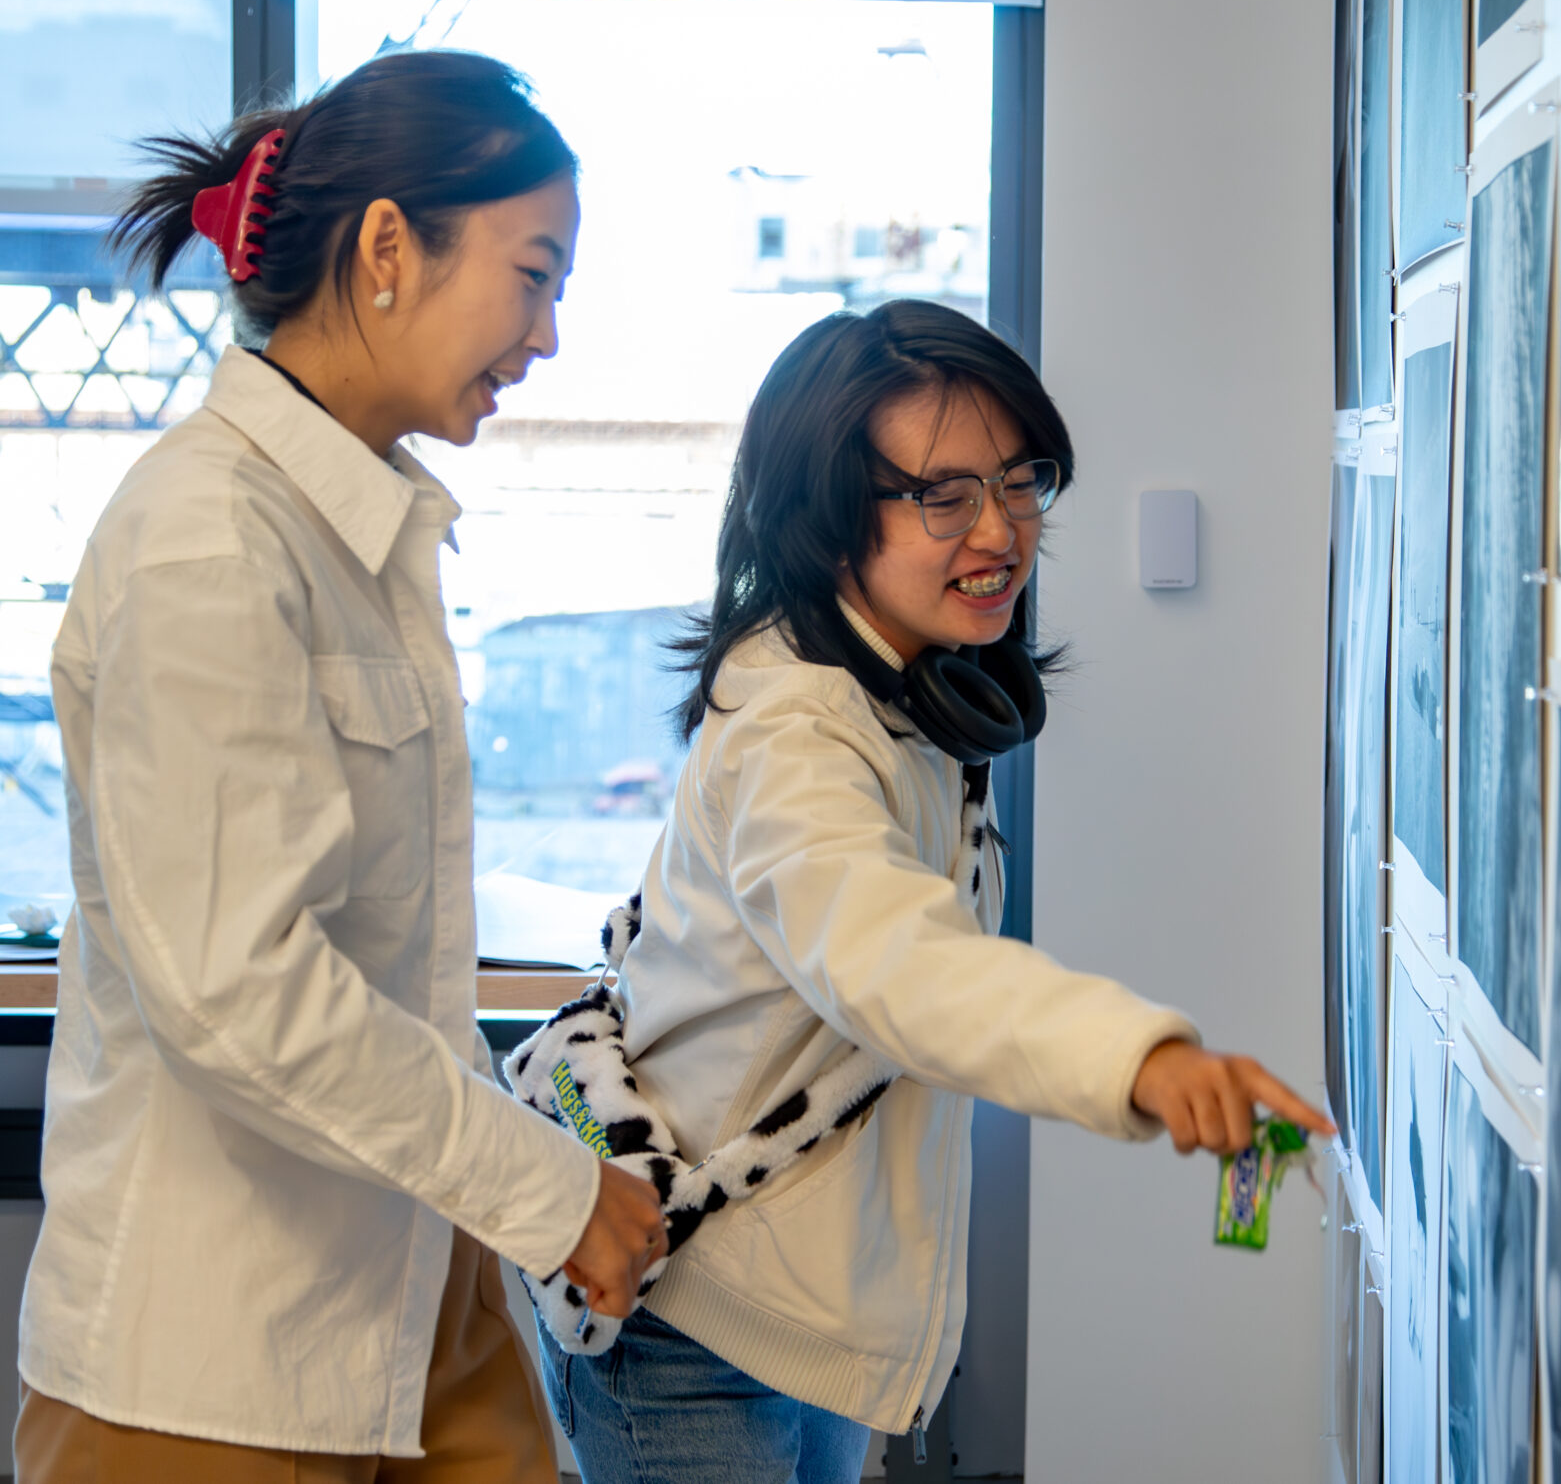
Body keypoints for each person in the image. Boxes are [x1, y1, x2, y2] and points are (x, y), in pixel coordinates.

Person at [538, 300, 1333, 1483]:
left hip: (813, 1321)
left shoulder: (910, 694)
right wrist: (1144, 1061)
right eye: (944, 495)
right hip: (692, 1318)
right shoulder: (797, 732)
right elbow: (901, 964)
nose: (1002, 531)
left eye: (1020, 482)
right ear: (825, 516)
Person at [15, 50, 666, 1484]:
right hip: (220, 1357)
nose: (548, 332)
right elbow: (242, 991)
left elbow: (384, 975)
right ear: (389, 247)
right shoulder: (208, 537)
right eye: (535, 273)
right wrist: (550, 1190)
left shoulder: (363, 538)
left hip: (412, 1286)